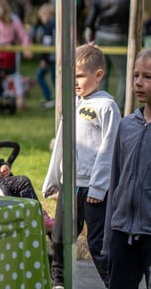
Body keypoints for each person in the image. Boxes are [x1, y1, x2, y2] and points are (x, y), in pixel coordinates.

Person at [42, 44, 119, 288]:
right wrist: (53, 179)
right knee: (60, 238)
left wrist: (98, 187)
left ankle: (114, 282)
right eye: (71, 75)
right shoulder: (72, 103)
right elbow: (62, 143)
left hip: (93, 190)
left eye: (80, 76)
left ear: (98, 75)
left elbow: (110, 149)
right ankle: (59, 282)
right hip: (69, 185)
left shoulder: (107, 107)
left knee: (98, 243)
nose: (75, 82)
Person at [107, 48, 151, 288]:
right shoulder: (126, 126)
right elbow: (115, 182)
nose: (138, 83)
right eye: (135, 75)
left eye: (147, 77)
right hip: (122, 232)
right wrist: (109, 237)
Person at [84, 0, 130, 112]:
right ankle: (121, 108)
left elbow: (90, 21)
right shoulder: (126, 0)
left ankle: (100, 106)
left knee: (101, 73)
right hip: (119, 38)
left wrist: (90, 35)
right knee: (123, 74)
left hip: (101, 36)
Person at [0, 0, 32, 109]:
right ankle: (6, 98)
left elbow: (23, 36)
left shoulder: (14, 21)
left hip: (12, 50)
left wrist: (26, 48)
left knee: (15, 74)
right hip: (1, 50)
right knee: (2, 74)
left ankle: (20, 99)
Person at [31, 3, 56, 108]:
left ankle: (49, 98)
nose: (41, 19)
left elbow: (47, 43)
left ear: (46, 14)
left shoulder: (49, 25)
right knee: (55, 79)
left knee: (40, 76)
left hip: (51, 57)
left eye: (41, 16)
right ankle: (56, 98)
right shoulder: (56, 23)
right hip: (56, 56)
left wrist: (44, 59)